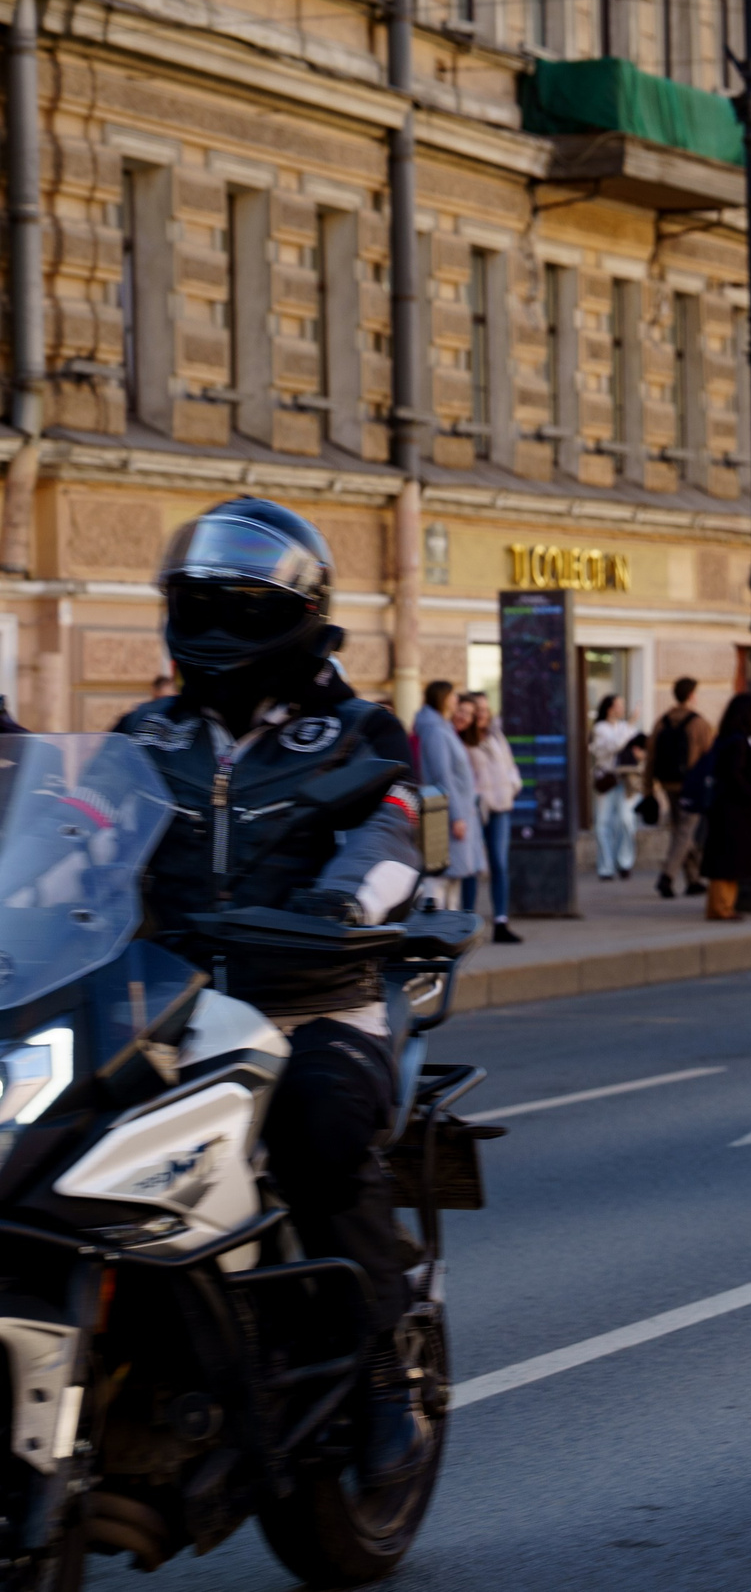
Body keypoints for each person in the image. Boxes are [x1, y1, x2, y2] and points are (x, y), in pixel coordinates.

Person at [116, 497, 434, 1487]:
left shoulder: (355, 730)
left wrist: (343, 907)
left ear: (292, 615)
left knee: (321, 1124)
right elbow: (76, 837)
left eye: (238, 605)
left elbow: (393, 834)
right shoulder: (146, 734)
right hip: (166, 1009)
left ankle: (385, 1375)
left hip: (314, 1001)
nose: (215, 624)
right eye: (200, 602)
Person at [457, 692, 523, 943]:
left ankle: (501, 921)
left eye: (486, 708)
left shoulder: (497, 736)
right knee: (471, 866)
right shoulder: (465, 740)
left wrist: (512, 786)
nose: (483, 713)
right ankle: (467, 921)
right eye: (478, 709)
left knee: (499, 863)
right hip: (477, 810)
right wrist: (478, 798)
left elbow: (510, 766)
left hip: (501, 808)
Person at [412, 681, 485, 909]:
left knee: (454, 878)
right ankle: (439, 931)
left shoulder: (441, 727)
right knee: (440, 877)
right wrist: (457, 816)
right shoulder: (435, 730)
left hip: (454, 812)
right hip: (446, 815)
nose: (456, 700)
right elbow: (442, 775)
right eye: (453, 696)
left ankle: (449, 931)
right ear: (443, 698)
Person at [697, 691, 751, 920]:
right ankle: (722, 907)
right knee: (729, 862)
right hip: (734, 809)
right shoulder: (739, 740)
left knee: (725, 861)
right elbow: (735, 773)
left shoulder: (727, 737)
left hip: (724, 807)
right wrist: (750, 793)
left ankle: (721, 905)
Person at [649, 678, 713, 898]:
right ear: (691, 695)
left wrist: (648, 789)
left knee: (681, 831)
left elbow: (650, 758)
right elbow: (711, 756)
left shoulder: (661, 722)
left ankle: (693, 879)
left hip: (667, 783)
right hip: (691, 786)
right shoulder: (699, 723)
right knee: (685, 831)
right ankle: (667, 876)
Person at [590, 692, 642, 880]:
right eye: (619, 705)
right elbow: (616, 745)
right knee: (603, 823)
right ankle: (606, 867)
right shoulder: (600, 728)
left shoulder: (625, 727)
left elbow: (636, 745)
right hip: (607, 780)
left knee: (627, 821)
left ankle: (625, 862)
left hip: (626, 779)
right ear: (610, 708)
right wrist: (631, 724)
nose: (622, 708)